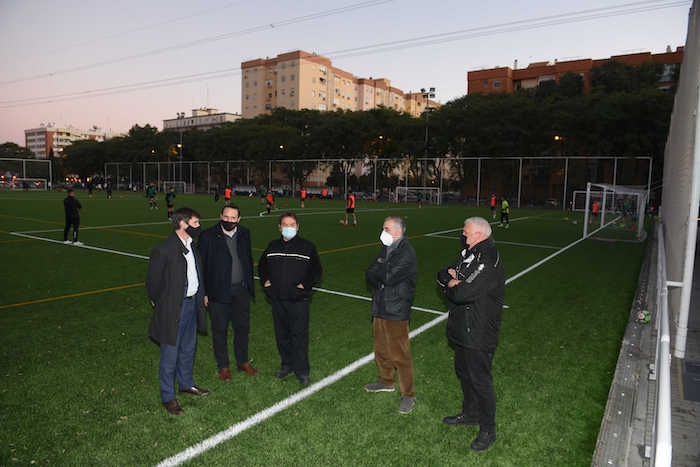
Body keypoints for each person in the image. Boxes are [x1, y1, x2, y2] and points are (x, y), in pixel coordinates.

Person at [437, 217, 504, 451]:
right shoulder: (470, 253)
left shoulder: (488, 258)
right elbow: (443, 274)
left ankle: (488, 430)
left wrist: (454, 283)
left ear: (478, 234)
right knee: (464, 372)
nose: (463, 236)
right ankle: (470, 413)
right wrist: (451, 281)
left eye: (466, 233)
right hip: (462, 327)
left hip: (478, 330)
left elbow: (462, 293)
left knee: (480, 380)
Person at [146, 207, 210, 416]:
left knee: (188, 348)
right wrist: (160, 302)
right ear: (183, 224)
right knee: (170, 353)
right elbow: (153, 283)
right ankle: (168, 396)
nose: (199, 227)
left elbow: (198, 272)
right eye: (196, 223)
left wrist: (202, 295)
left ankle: (186, 384)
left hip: (193, 305)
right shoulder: (164, 249)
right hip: (175, 308)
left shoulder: (192, 246)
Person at [258, 212, 322, 385]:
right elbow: (262, 266)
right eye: (285, 224)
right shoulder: (272, 246)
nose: (288, 227)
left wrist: (304, 286)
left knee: (299, 336)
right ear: (279, 227)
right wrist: (266, 283)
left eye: (292, 224)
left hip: (298, 301)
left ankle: (302, 370)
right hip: (278, 300)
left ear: (297, 227)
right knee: (282, 335)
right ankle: (287, 365)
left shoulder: (307, 247)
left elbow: (316, 271)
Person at [364, 216, 417, 414]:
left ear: (397, 231)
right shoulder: (386, 248)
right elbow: (370, 273)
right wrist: (379, 274)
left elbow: (388, 276)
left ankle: (408, 395)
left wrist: (379, 273)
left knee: (400, 354)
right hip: (380, 306)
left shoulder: (406, 253)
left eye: (386, 228)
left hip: (396, 309)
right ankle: (386, 381)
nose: (383, 231)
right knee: (381, 349)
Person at [198, 205, 257, 380]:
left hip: (241, 290)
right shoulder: (208, 235)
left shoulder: (245, 233)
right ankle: (223, 366)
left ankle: (242, 361)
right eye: (226, 217)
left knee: (242, 328)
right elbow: (200, 266)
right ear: (220, 216)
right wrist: (204, 292)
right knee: (219, 330)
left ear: (239, 219)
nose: (229, 221)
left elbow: (247, 258)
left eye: (233, 218)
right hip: (218, 292)